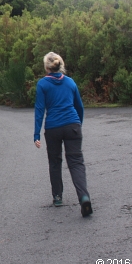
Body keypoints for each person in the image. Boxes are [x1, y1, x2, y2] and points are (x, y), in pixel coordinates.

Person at [34, 52, 92, 217]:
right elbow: (79, 106)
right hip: (72, 125)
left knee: (55, 162)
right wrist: (78, 124)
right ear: (61, 65)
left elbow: (39, 110)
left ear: (46, 67)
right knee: (76, 162)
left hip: (53, 128)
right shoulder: (70, 82)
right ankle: (84, 196)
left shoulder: (42, 84)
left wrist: (36, 134)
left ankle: (58, 197)